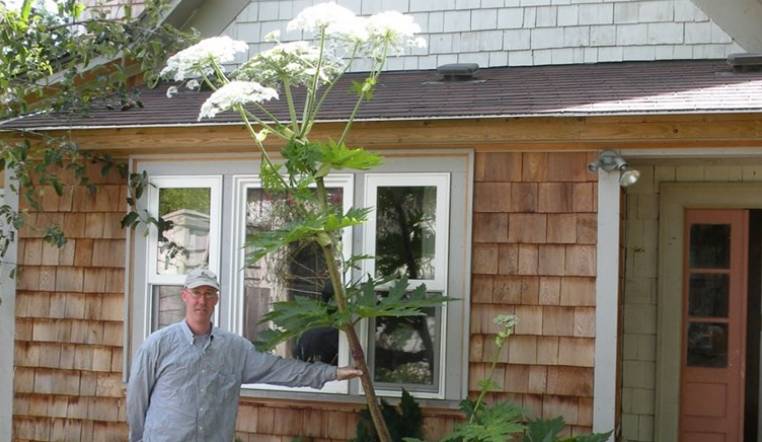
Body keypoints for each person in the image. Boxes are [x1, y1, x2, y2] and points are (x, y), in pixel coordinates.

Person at [126, 268, 362, 442]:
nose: (202, 300)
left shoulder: (235, 349)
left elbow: (280, 370)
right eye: (197, 292)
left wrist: (334, 372)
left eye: (209, 293)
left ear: (216, 299)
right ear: (184, 296)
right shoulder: (157, 345)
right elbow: (137, 398)